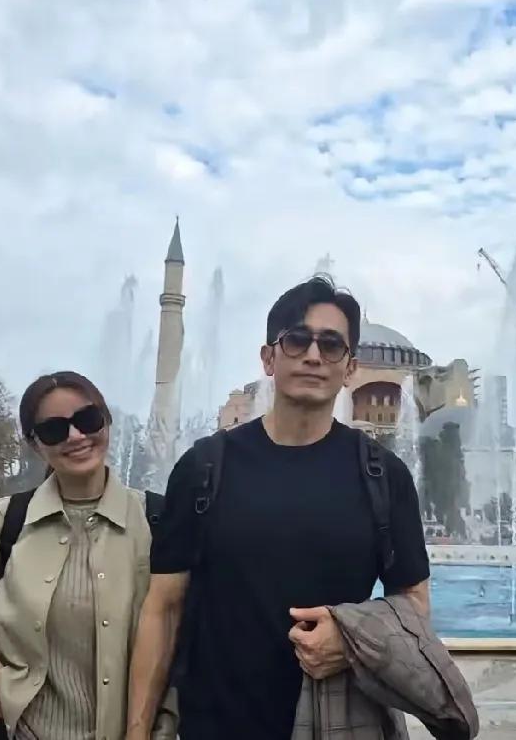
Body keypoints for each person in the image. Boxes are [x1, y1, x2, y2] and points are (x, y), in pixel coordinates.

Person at [127, 276, 430, 740]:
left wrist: (350, 641)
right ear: (269, 358)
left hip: (338, 725)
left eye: (331, 345)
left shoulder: (383, 477)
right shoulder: (204, 468)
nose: (313, 355)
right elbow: (163, 608)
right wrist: (137, 732)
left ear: (350, 368)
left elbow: (414, 605)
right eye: (297, 340)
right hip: (217, 726)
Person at [0, 371, 175, 740]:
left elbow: (188, 639)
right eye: (54, 429)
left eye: (88, 419)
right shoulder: (4, 522)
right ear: (35, 444)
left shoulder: (160, 522)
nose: (76, 436)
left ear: (107, 420)